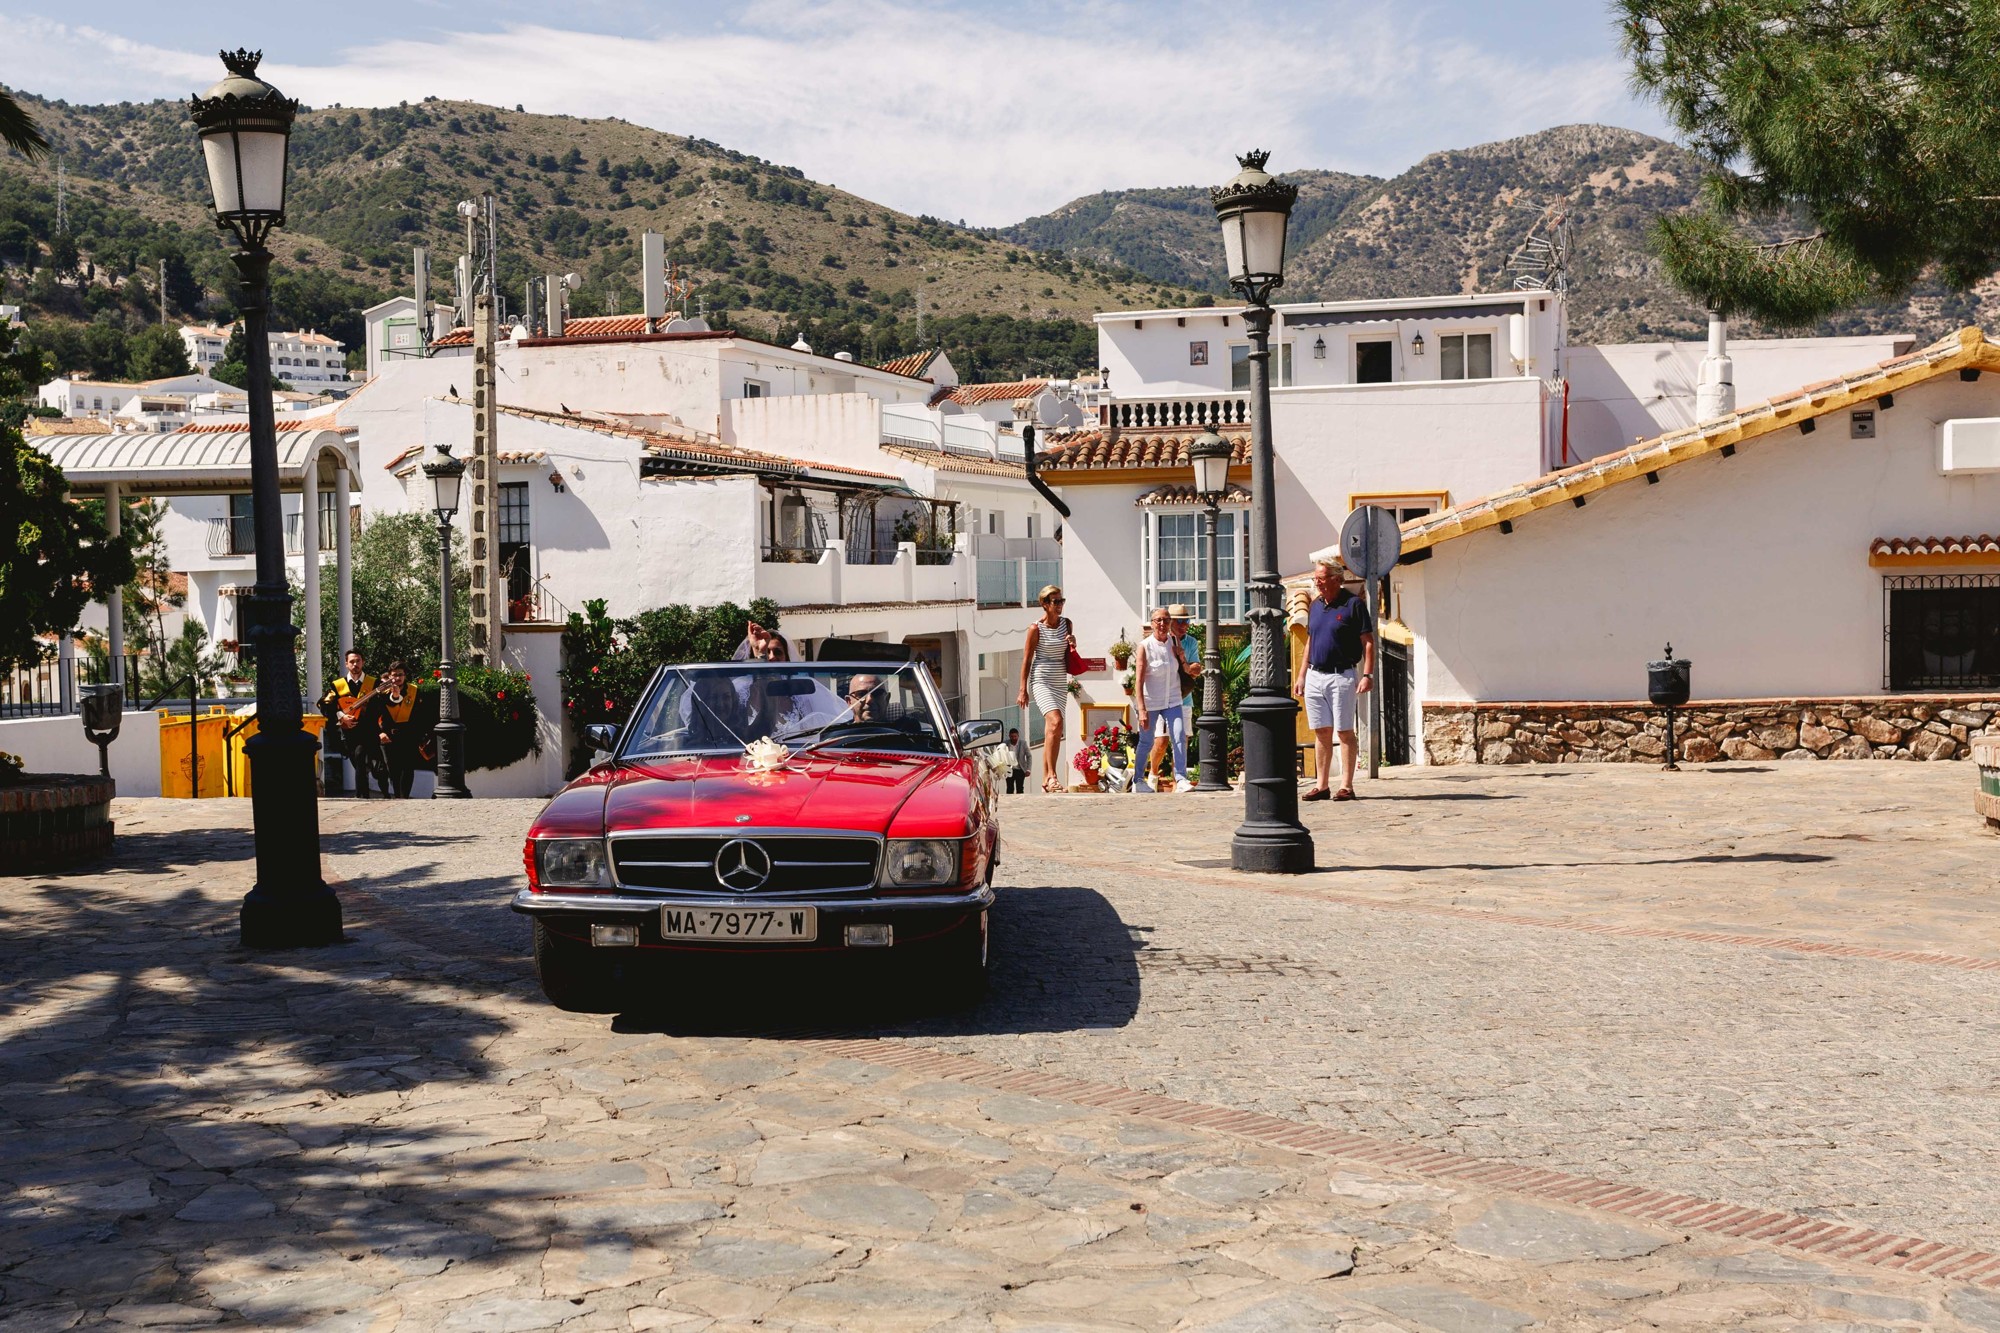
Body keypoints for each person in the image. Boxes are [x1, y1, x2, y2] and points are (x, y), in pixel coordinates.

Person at [1293, 558, 1375, 801]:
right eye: (1316, 578)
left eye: (1322, 577)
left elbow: (1368, 642)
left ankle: (1347, 786)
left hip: (1342, 675)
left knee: (1344, 731)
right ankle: (1322, 785)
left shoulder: (1353, 605)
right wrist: (1301, 674)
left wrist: (1367, 674)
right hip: (1316, 675)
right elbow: (1310, 641)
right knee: (1321, 731)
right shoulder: (1316, 605)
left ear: (1337, 579)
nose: (1317, 582)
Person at [1017, 585, 1074, 794]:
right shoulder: (1035, 629)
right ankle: (1052, 776)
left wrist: (1073, 643)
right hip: (1041, 679)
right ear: (1044, 604)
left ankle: (1045, 779)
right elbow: (1026, 659)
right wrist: (1022, 688)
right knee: (1055, 721)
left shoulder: (1066, 625)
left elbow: (1069, 653)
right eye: (1055, 602)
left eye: (1061, 601)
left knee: (1055, 729)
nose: (1059, 605)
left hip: (1059, 679)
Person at [1134, 607, 1194, 793]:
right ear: (1152, 623)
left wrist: (1182, 656)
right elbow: (1139, 680)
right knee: (1146, 741)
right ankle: (1138, 781)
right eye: (1158, 620)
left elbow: (1186, 670)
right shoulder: (1144, 646)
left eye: (1166, 620)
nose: (1162, 624)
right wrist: (1142, 709)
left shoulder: (1174, 641)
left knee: (1179, 737)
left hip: (1174, 699)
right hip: (1151, 701)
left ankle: (1181, 778)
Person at [321, 648, 380, 798]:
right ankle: (367, 789)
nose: (355, 664)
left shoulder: (373, 683)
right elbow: (326, 705)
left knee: (361, 757)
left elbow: (381, 707)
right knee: (358, 762)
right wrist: (341, 717)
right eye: (352, 661)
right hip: (348, 733)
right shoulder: (337, 685)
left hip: (368, 731)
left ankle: (362, 796)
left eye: (358, 661)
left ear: (363, 662)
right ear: (346, 664)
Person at [367, 661, 423, 799]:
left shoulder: (414, 691)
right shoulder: (381, 693)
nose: (397, 678)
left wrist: (419, 736)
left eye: (400, 675)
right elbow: (372, 716)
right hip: (388, 735)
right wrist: (379, 733)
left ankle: (404, 797)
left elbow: (419, 715)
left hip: (408, 735)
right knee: (393, 769)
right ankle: (397, 795)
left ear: (405, 676)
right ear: (389, 676)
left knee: (408, 768)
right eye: (394, 675)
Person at [1006, 727, 1029, 794]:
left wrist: (1028, 769)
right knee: (1009, 788)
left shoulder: (1023, 743)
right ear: (1009, 736)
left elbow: (1029, 756)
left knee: (1020, 788)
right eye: (1012, 736)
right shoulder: (1005, 744)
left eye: (1015, 736)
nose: (1013, 738)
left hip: (1020, 769)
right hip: (1009, 769)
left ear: (1018, 736)